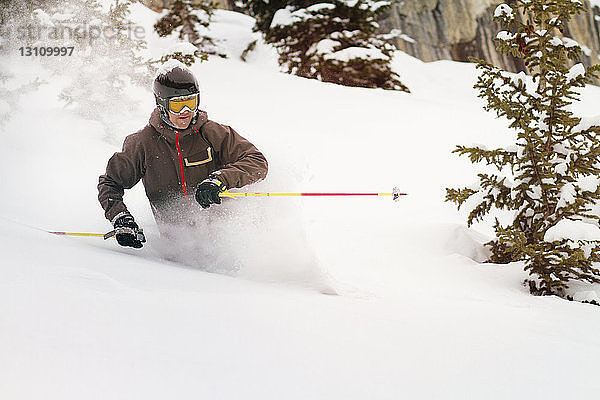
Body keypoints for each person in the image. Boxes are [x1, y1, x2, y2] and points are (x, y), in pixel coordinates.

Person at [98, 60, 268, 248]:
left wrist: (221, 179)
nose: (186, 111)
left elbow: (256, 161)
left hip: (227, 243)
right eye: (178, 105)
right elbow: (110, 183)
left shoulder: (211, 133)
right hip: (179, 251)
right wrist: (121, 218)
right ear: (162, 104)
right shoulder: (143, 143)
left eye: (191, 102)